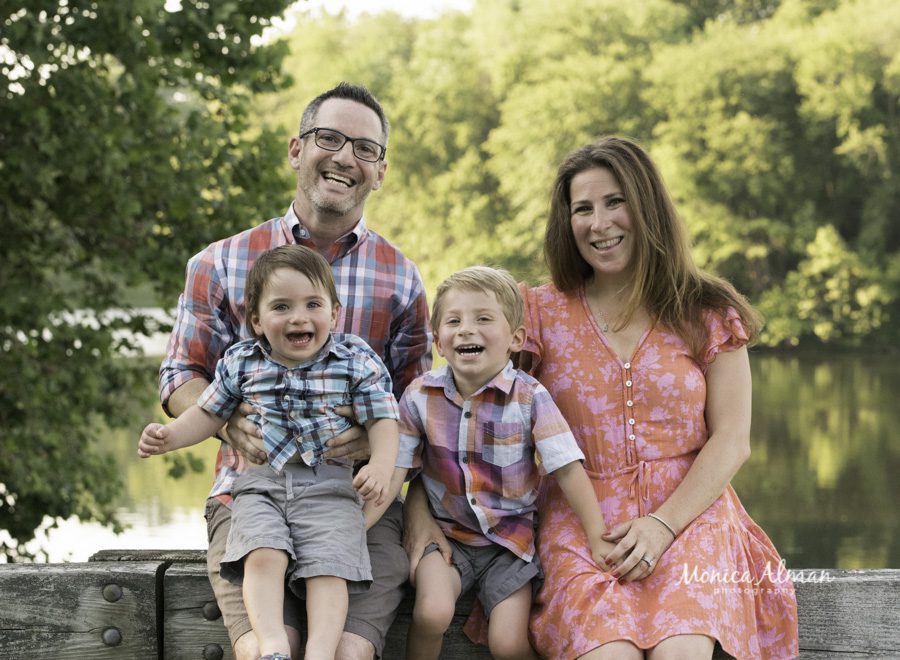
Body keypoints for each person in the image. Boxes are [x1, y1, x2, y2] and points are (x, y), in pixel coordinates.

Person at [406, 137, 799, 659]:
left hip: (692, 519)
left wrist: (662, 526)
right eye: (582, 209)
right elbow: (449, 411)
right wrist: (418, 511)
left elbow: (732, 440)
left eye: (616, 202)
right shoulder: (536, 313)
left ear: (648, 206)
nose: (599, 223)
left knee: (682, 652)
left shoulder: (706, 311)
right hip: (581, 522)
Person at [159, 82, 432, 660]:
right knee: (267, 649)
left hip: (357, 501)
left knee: (346, 653)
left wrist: (379, 442)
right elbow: (181, 373)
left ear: (380, 172)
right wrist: (225, 422)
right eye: (328, 138)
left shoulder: (401, 277)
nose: (345, 158)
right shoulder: (220, 262)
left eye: (365, 148)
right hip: (250, 493)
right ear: (296, 149)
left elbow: (420, 400)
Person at [141, 245, 405, 660]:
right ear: (257, 321)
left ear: (334, 314)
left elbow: (384, 419)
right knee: (261, 552)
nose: (299, 317)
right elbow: (209, 413)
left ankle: (320, 652)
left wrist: (382, 465)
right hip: (262, 483)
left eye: (313, 305)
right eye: (281, 307)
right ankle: (273, 646)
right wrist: (170, 436)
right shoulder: (242, 362)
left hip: (329, 485)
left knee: (329, 568)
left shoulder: (354, 362)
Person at [397, 266, 611, 660]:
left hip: (510, 543)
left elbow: (566, 467)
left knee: (508, 643)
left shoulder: (529, 397)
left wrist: (597, 537)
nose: (466, 330)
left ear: (515, 338)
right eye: (454, 321)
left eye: (483, 319)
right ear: (438, 341)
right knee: (431, 612)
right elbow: (396, 468)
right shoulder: (419, 396)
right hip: (446, 536)